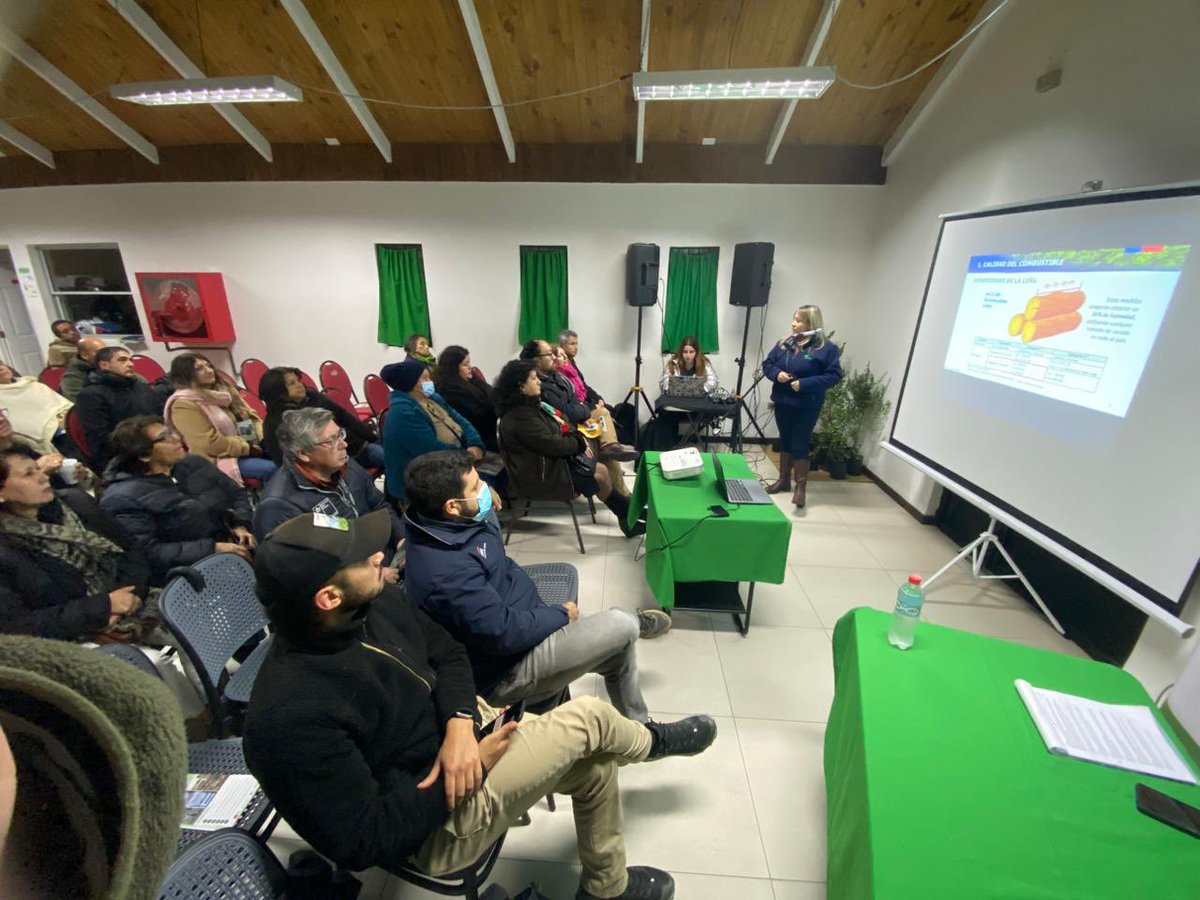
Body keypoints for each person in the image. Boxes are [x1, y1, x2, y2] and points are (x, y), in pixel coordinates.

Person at [242, 510, 716, 900]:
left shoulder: (371, 604)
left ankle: (605, 890)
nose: (379, 557)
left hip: (468, 732)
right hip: (436, 822)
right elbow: (366, 840)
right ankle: (651, 741)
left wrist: (459, 724)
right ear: (328, 597)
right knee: (588, 718)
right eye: (362, 559)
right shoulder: (289, 718)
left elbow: (447, 652)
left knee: (595, 767)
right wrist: (470, 764)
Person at [405, 449, 670, 720]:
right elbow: (503, 634)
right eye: (476, 487)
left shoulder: (454, 520)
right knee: (621, 625)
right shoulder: (445, 575)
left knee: (619, 647)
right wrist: (560, 614)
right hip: (506, 669)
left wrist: (482, 497)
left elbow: (495, 569)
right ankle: (634, 621)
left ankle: (641, 728)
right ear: (452, 505)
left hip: (525, 619)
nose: (485, 488)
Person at [0, 444, 151, 641]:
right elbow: (17, 625)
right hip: (73, 639)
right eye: (28, 474)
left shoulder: (75, 502)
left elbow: (131, 549)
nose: (43, 477)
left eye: (38, 469)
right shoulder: (7, 549)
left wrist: (133, 595)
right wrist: (102, 607)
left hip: (136, 604)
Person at [495, 359, 644, 538]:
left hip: (548, 464)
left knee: (602, 471)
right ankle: (630, 515)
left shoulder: (531, 405)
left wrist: (575, 437)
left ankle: (628, 517)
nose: (539, 381)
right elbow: (554, 445)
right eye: (534, 378)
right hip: (539, 476)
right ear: (521, 387)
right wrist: (579, 442)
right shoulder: (520, 417)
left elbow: (561, 423)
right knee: (599, 474)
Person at [100, 416, 254, 585]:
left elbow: (236, 493)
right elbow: (148, 552)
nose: (176, 438)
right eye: (164, 438)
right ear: (144, 455)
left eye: (171, 432)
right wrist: (212, 549)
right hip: (192, 575)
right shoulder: (122, 499)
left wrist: (240, 524)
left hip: (233, 549)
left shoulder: (193, 462)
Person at [253, 409, 404, 570]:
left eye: (340, 434)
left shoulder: (345, 465)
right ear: (303, 454)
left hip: (382, 557)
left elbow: (379, 505)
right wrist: (373, 573)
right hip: (350, 577)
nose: (344, 444)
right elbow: (304, 569)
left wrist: (401, 540)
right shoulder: (277, 506)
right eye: (331, 441)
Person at [762, 305, 842, 508]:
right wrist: (777, 374)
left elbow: (834, 376)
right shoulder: (785, 343)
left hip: (806, 404)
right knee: (785, 439)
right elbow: (768, 364)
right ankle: (783, 480)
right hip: (783, 401)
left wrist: (805, 384)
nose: (793, 324)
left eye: (798, 321)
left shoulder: (826, 349)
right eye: (794, 319)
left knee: (800, 442)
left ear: (810, 323)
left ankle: (800, 488)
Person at [380, 357, 485, 503]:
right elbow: (431, 450)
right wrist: (466, 455)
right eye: (425, 378)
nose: (431, 382)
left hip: (453, 462)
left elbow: (460, 419)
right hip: (423, 482)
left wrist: (475, 443)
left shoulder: (432, 398)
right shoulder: (402, 414)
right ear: (411, 383)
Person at [164, 352, 276, 487]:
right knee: (272, 469)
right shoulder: (183, 405)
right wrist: (248, 448)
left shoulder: (224, 392)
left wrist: (259, 440)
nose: (208, 370)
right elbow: (208, 443)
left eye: (208, 366)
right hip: (219, 459)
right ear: (185, 375)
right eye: (199, 368)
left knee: (287, 458)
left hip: (248, 446)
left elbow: (249, 419)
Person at [519, 340, 636, 464]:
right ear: (536, 360)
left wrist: (586, 407)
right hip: (567, 429)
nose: (554, 357)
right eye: (549, 354)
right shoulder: (538, 386)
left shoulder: (558, 377)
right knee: (602, 413)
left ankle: (611, 447)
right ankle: (610, 446)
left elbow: (575, 397)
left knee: (611, 457)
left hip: (579, 417)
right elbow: (564, 412)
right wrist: (587, 409)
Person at [257, 366, 384, 469]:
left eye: (298, 380)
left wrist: (373, 439)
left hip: (355, 449)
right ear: (279, 392)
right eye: (292, 384)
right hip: (328, 469)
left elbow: (345, 417)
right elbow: (283, 461)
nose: (299, 385)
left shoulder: (313, 397)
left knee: (392, 459)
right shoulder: (274, 423)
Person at [74, 346, 164, 471]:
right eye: (122, 360)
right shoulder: (90, 395)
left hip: (154, 446)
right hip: (121, 457)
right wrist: (142, 447)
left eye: (130, 360)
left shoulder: (141, 387)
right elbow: (100, 437)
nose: (131, 364)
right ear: (104, 365)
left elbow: (159, 416)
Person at [432, 346, 499, 452]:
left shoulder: (471, 380)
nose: (469, 367)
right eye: (465, 364)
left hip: (492, 429)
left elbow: (494, 395)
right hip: (479, 438)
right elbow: (478, 415)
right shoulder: (448, 389)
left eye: (469, 363)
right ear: (453, 368)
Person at [0, 361, 72, 455]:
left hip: (68, 423)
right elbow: (23, 426)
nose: (1, 368)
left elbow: (66, 405)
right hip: (51, 438)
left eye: (0, 364)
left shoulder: (33, 385)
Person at [60, 335, 107, 401]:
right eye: (99, 352)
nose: (105, 355)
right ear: (84, 355)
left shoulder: (106, 367)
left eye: (106, 351)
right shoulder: (72, 377)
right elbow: (81, 402)